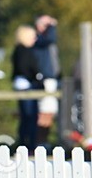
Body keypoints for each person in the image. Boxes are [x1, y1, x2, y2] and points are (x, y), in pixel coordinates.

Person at [12, 25, 43, 151]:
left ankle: (27, 144)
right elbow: (25, 68)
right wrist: (36, 78)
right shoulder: (23, 51)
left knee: (27, 117)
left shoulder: (21, 51)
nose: (35, 39)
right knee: (29, 116)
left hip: (25, 84)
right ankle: (28, 145)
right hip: (26, 86)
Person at [32, 15, 59, 147]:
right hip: (45, 80)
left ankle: (44, 141)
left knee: (50, 112)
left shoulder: (43, 41)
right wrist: (52, 25)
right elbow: (51, 38)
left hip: (51, 79)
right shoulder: (39, 40)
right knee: (44, 112)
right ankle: (40, 142)